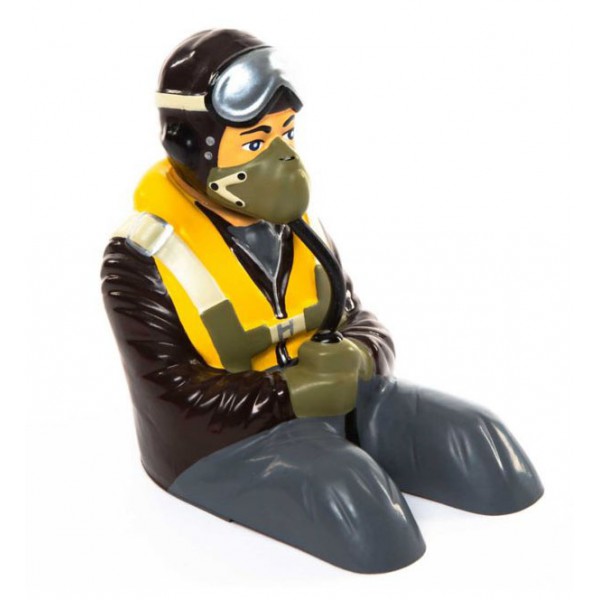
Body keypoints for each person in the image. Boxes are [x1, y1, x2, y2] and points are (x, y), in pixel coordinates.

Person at [101, 29, 543, 573]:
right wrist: (290, 393)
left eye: (286, 133)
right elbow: (171, 401)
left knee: (478, 443)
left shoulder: (299, 228)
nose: (284, 156)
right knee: (355, 502)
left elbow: (357, 317)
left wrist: (359, 355)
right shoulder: (143, 258)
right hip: (219, 446)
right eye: (255, 143)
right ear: (193, 147)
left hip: (337, 404)